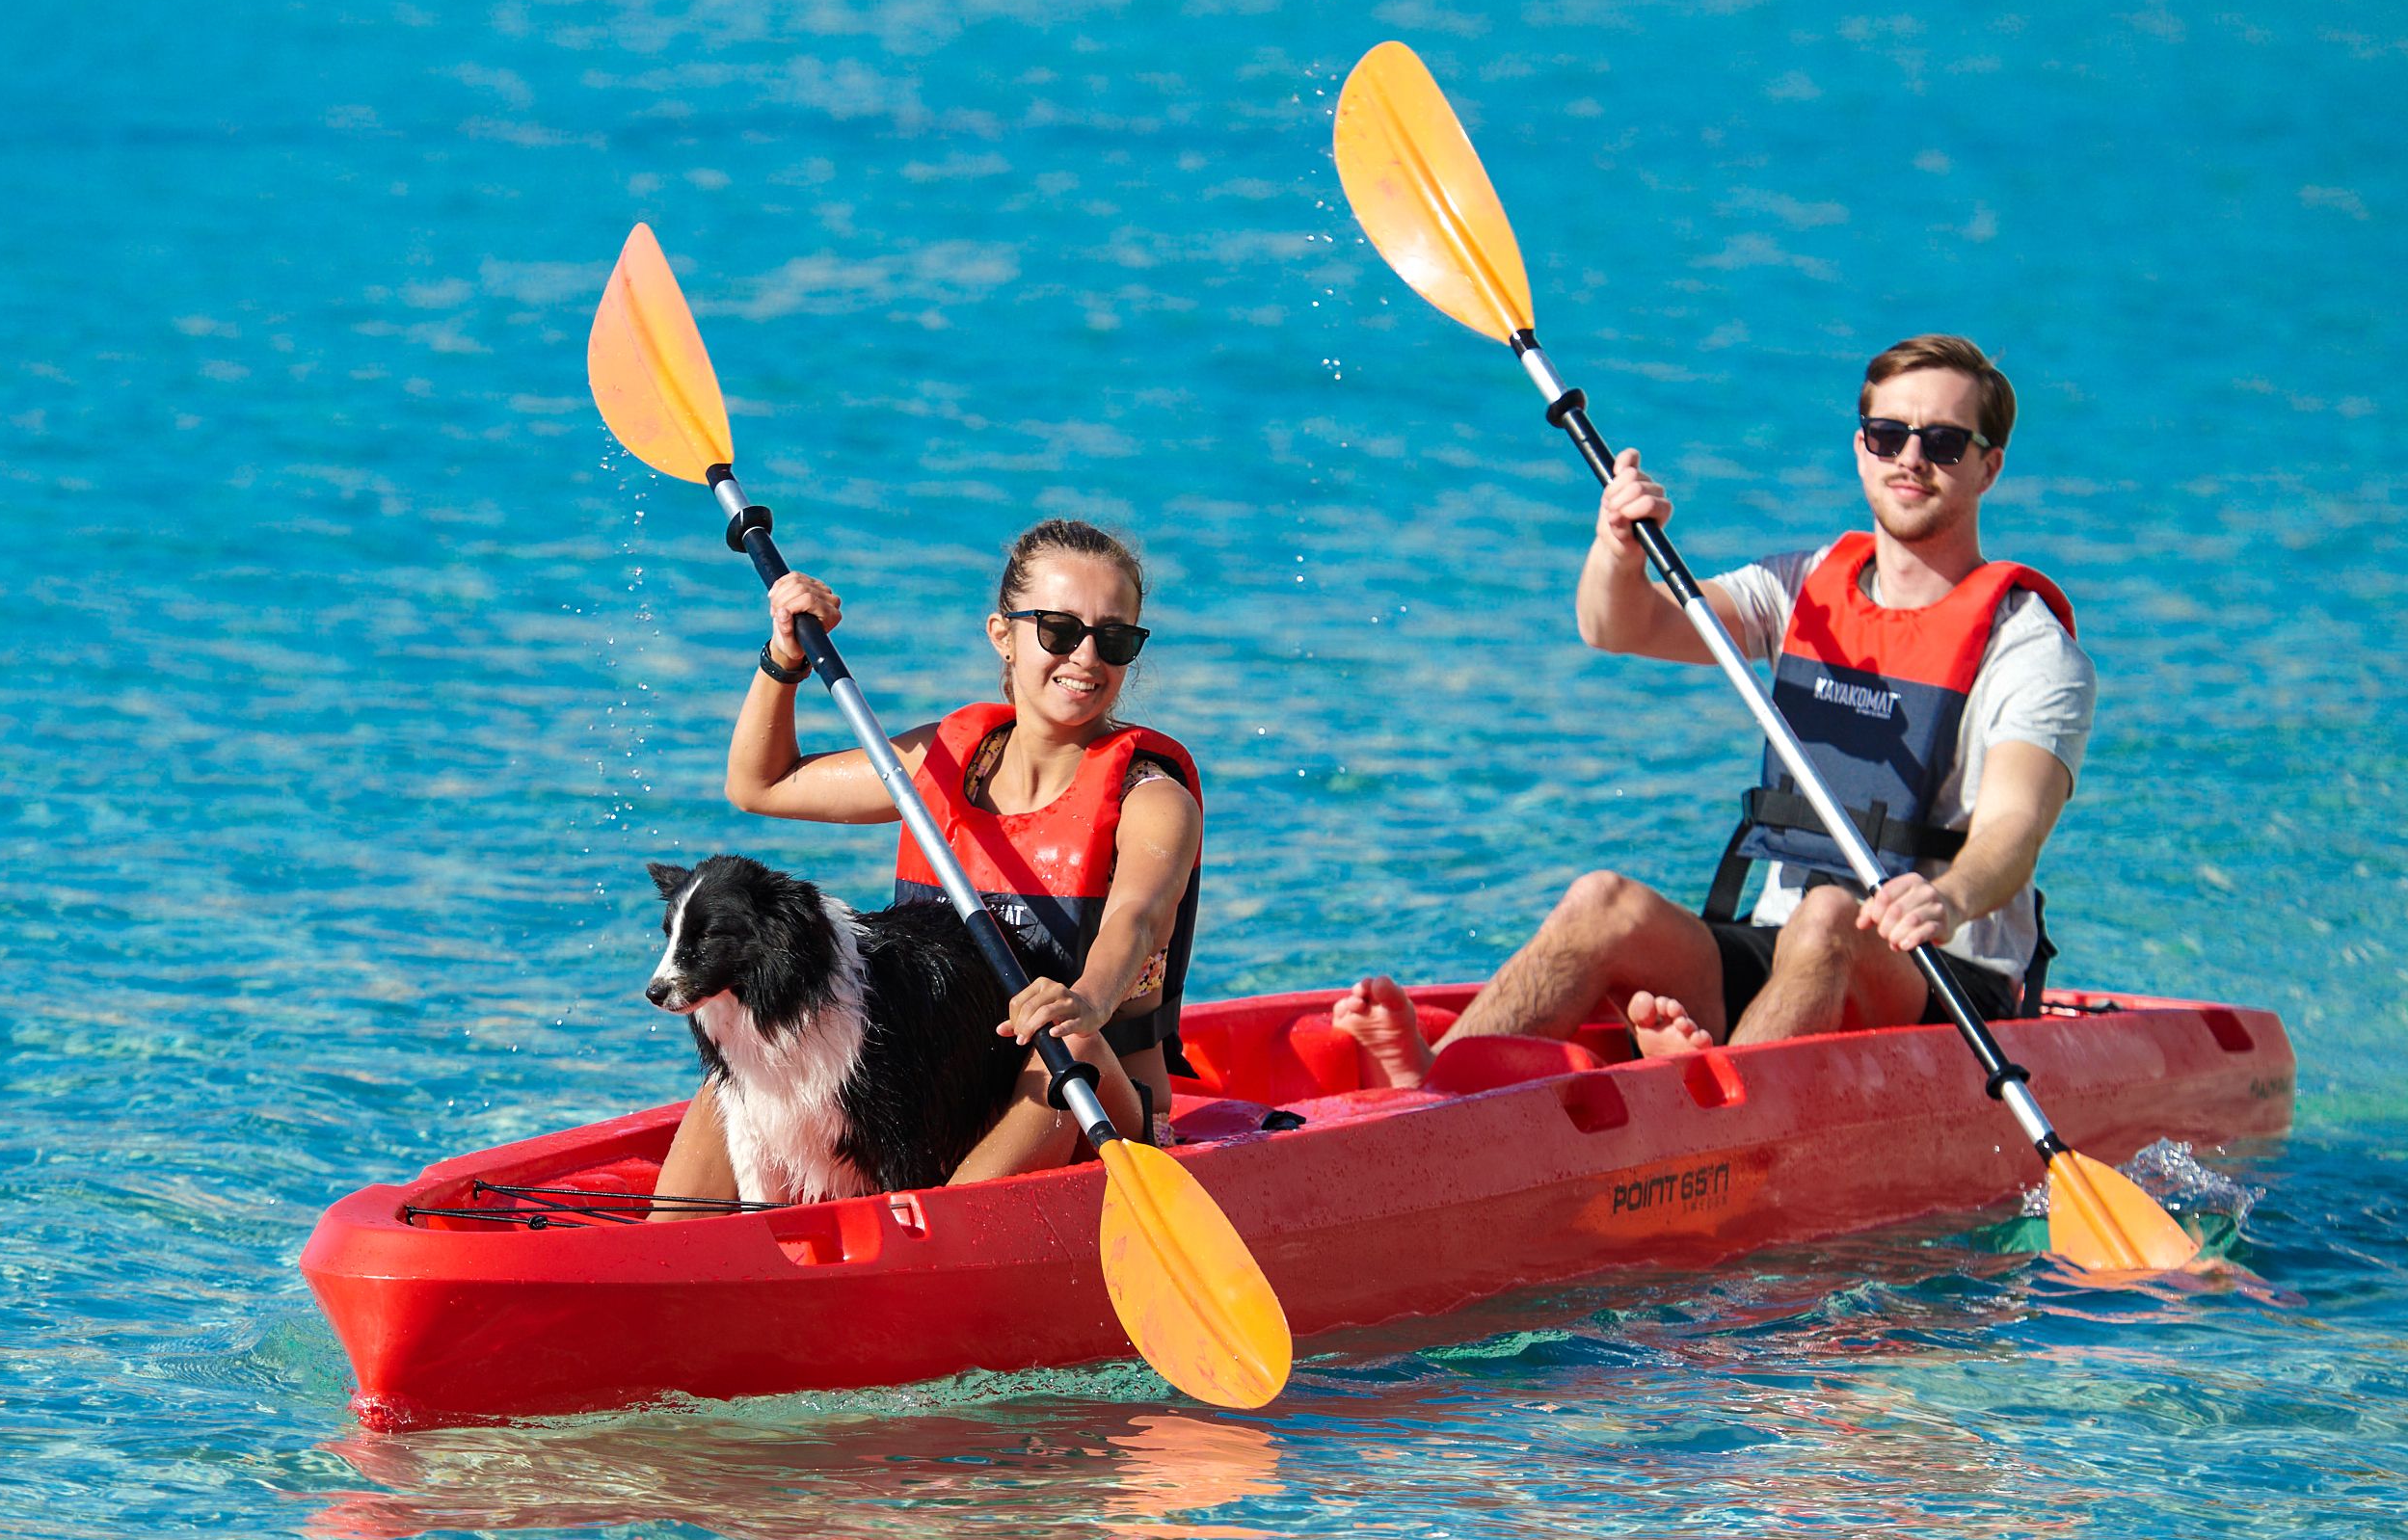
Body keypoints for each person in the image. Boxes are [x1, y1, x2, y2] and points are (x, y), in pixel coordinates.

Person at [1334, 334, 2093, 1084]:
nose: (1910, 458)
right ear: (1861, 448)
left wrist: (1948, 898)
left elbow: (2012, 832)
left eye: (1944, 442)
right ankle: (1435, 1091)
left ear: (1989, 466)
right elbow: (1618, 626)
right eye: (1888, 434)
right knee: (1602, 902)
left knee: (1829, 916)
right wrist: (1617, 550)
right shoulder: (1798, 588)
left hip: (1946, 977)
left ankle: (1711, 1105)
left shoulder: (2030, 650)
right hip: (1782, 949)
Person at [654, 518, 1204, 1196]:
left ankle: (937, 1233)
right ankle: (664, 1242)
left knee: (1066, 1043)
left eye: (1113, 639)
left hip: (1091, 1104)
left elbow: (1137, 921)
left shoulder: (1152, 799)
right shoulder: (939, 763)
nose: (1086, 658)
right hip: (935, 1104)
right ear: (1003, 635)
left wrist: (1086, 1000)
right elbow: (759, 784)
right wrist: (784, 658)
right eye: (1059, 631)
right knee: (752, 1046)